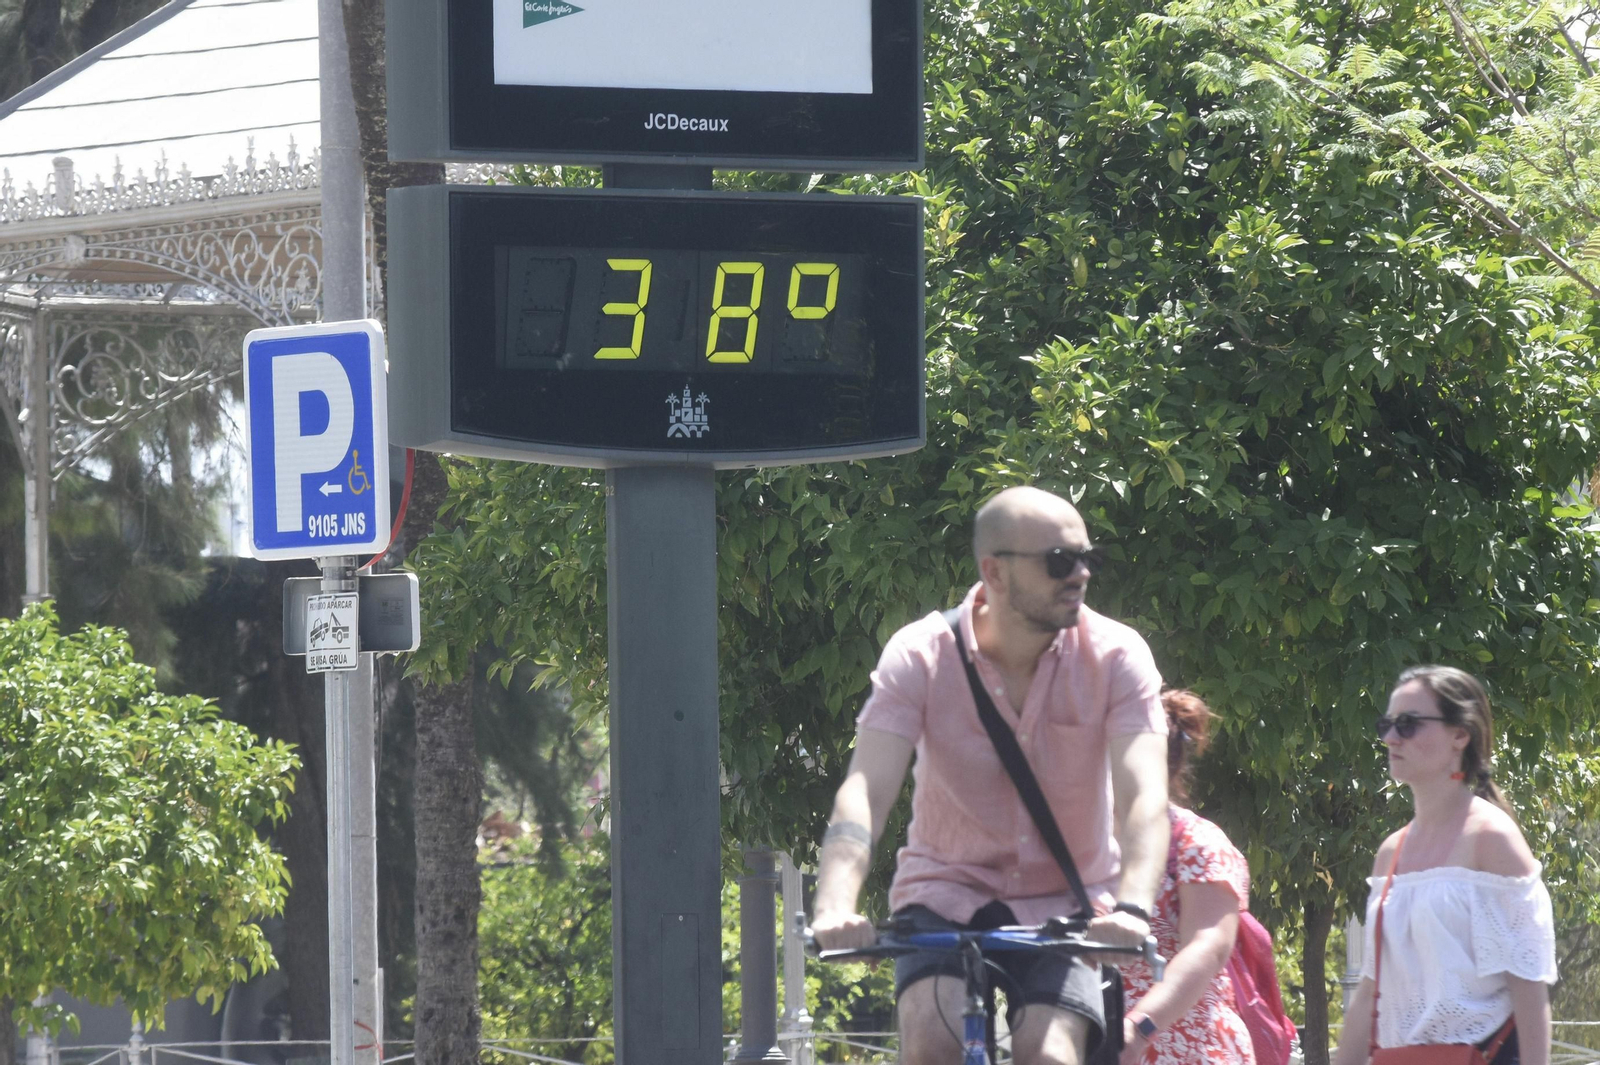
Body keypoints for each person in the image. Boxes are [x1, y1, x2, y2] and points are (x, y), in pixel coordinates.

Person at [809, 485, 1171, 1065]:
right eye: (1059, 561)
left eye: (1087, 559)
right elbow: (865, 793)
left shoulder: (1117, 656)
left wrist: (1131, 908)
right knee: (930, 1043)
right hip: (943, 890)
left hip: (1067, 902)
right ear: (994, 573)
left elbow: (1143, 798)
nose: (1079, 574)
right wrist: (833, 903)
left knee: (1050, 1055)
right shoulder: (920, 654)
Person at [1333, 666, 1558, 1065]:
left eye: (1408, 724)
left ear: (1460, 734)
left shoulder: (1493, 840)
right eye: (1387, 724)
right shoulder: (1390, 852)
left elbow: (1529, 988)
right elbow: (1370, 990)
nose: (1389, 738)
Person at [1118, 689, 1255, 1065]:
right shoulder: (1082, 850)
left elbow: (1208, 946)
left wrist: (1137, 1029)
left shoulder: (1195, 841)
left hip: (1190, 1052)